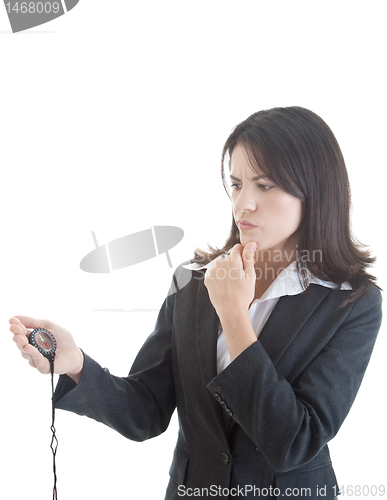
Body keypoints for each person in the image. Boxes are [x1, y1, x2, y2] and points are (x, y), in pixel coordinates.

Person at [10, 106, 382, 500]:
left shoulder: (352, 303)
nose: (243, 204)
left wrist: (234, 316)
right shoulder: (193, 281)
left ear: (316, 188)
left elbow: (294, 442)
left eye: (265, 185)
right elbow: (147, 411)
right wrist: (78, 365)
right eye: (237, 184)